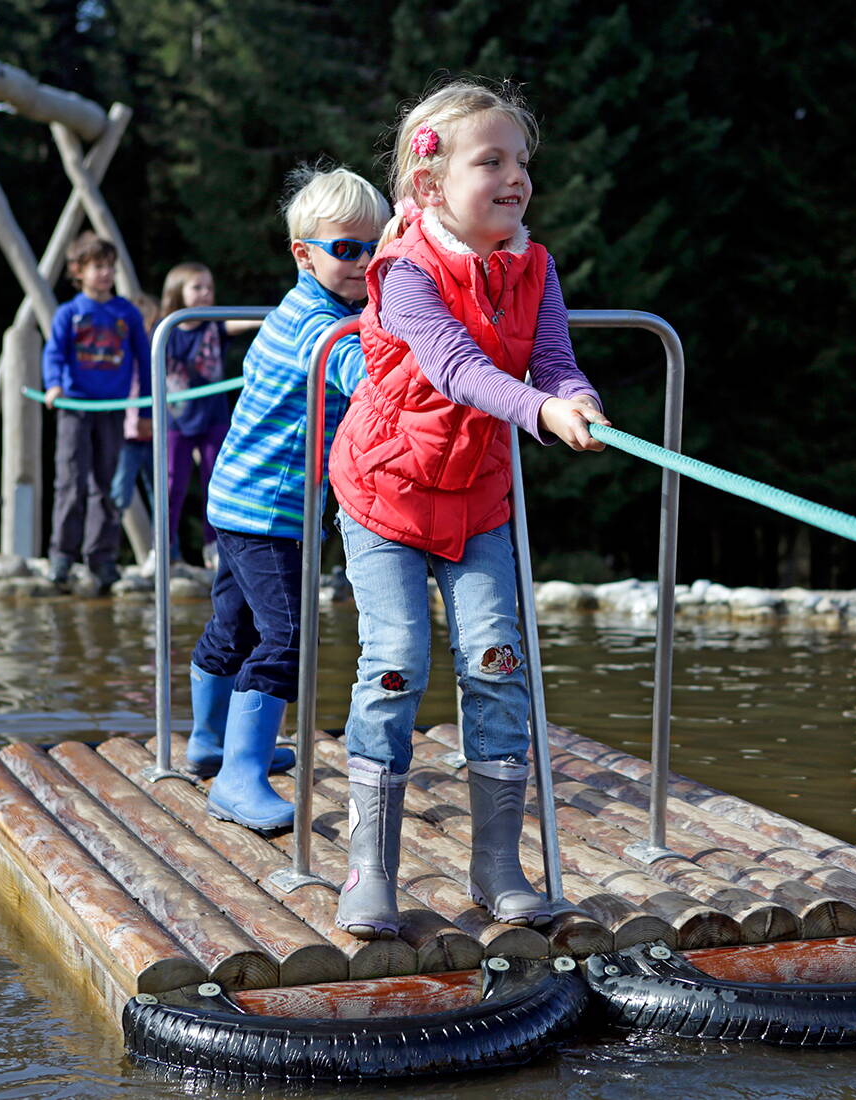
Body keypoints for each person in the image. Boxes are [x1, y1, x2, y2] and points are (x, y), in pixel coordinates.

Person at [327, 81, 609, 940]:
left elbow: (553, 360)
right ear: (429, 185)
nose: (516, 176)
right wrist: (537, 411)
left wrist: (579, 400)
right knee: (397, 660)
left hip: (478, 497)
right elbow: (457, 368)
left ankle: (497, 868)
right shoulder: (404, 273)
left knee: (495, 659)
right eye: (492, 161)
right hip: (385, 495)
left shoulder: (537, 266)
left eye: (522, 161)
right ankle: (369, 869)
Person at [186, 166, 391, 825]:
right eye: (346, 248)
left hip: (238, 501)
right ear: (304, 253)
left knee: (235, 625)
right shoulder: (319, 327)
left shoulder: (314, 309)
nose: (363, 262)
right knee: (290, 636)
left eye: (376, 247)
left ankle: (209, 742)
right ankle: (237, 777)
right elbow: (364, 377)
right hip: (270, 514)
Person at [42, 232, 150, 590]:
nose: (105, 273)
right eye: (97, 267)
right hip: (75, 408)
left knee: (106, 484)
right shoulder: (68, 313)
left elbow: (145, 362)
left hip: (113, 409)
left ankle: (102, 557)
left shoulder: (126, 313)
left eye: (109, 267)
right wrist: (54, 385)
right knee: (71, 482)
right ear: (78, 271)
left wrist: (146, 405)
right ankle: (61, 556)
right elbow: (54, 353)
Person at [158, 263, 234, 568]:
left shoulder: (215, 325)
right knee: (172, 484)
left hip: (213, 418)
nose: (205, 293)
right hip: (176, 419)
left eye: (209, 287)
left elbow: (245, 322)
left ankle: (213, 545)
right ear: (178, 292)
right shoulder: (165, 329)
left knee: (214, 481)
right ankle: (162, 547)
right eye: (197, 287)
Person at [109, 292, 159, 550]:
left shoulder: (157, 351)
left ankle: (166, 553)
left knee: (162, 496)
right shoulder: (121, 353)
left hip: (153, 436)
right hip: (127, 436)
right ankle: (107, 551)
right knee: (119, 493)